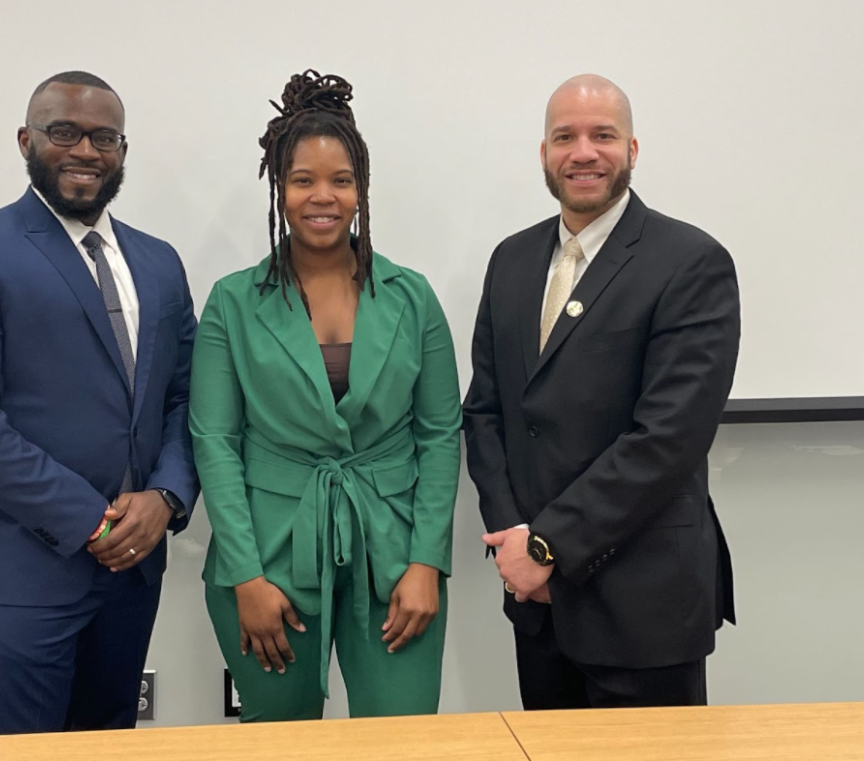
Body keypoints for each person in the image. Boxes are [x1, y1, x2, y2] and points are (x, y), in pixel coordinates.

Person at [0, 70, 198, 735]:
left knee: (108, 744)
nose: (85, 151)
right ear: (26, 140)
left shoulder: (158, 264)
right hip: (24, 575)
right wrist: (94, 523)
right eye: (64, 132)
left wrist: (167, 497)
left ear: (122, 150)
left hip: (132, 575)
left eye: (105, 137)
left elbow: (184, 398)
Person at [189, 70, 461, 721]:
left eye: (341, 180)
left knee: (401, 739)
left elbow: (440, 435)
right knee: (281, 743)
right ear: (279, 189)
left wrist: (427, 562)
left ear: (361, 189)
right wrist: (245, 577)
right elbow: (216, 443)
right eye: (302, 179)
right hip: (269, 557)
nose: (323, 196)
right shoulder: (233, 302)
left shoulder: (412, 296)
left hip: (394, 559)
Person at [463, 74, 739, 709]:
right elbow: (486, 413)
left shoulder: (691, 262)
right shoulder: (511, 260)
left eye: (602, 136)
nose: (582, 152)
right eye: (565, 136)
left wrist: (546, 545)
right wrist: (513, 542)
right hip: (538, 604)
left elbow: (667, 440)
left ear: (633, 150)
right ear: (544, 153)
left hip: (643, 608)